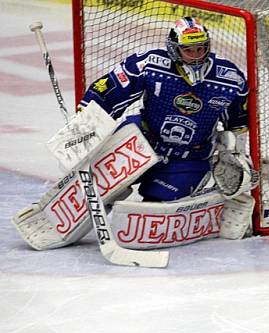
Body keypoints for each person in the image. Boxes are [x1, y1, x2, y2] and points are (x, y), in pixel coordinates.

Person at [79, 16, 251, 203]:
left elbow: (238, 123)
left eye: (200, 49)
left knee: (155, 209)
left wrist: (236, 153)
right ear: (174, 49)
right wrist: (85, 125)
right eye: (188, 50)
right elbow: (107, 91)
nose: (195, 56)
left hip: (189, 159)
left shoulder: (230, 80)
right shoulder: (150, 63)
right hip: (138, 143)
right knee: (90, 193)